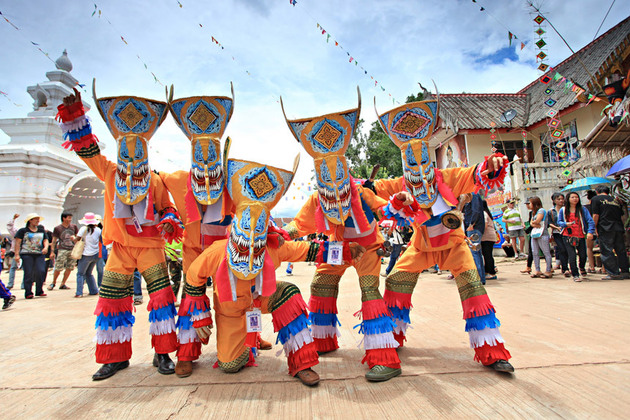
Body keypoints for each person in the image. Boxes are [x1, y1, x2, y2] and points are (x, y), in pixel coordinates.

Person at [373, 97, 514, 373]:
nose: (416, 167)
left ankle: (492, 351)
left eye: (421, 159)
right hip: (419, 246)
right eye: (410, 162)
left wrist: (492, 166)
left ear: (429, 157)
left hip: (453, 245)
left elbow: (475, 173)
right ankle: (392, 336)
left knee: (474, 287)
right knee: (396, 280)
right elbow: (369, 190)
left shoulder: (446, 177)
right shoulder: (399, 184)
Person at [280, 91, 412, 381]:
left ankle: (385, 359)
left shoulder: (362, 192)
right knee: (321, 284)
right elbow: (297, 227)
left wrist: (399, 201)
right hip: (335, 250)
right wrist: (278, 232)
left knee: (369, 293)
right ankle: (324, 341)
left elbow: (385, 210)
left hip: (367, 249)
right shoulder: (318, 198)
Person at [183, 155, 345, 386]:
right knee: (230, 366)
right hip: (230, 312)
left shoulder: (271, 248)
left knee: (289, 293)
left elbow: (307, 250)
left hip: (261, 300)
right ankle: (248, 343)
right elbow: (192, 277)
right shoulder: (216, 253)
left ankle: (303, 362)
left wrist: (346, 250)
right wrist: (200, 312)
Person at [57, 88, 184, 380]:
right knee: (112, 301)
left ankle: (162, 353)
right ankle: (114, 357)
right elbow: (87, 149)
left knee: (162, 299)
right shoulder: (110, 171)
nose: (131, 153)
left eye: (137, 149)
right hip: (120, 247)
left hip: (151, 247)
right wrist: (76, 115)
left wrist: (168, 222)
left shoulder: (155, 180)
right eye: (125, 148)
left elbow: (169, 209)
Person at [591, 185, 630, 280]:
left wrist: (593, 228)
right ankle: (625, 271)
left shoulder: (596, 199)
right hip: (618, 228)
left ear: (597, 191)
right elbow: (621, 215)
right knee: (621, 250)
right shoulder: (616, 200)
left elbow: (596, 215)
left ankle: (613, 273)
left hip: (605, 228)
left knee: (606, 250)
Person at [558, 192, 595, 282]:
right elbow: (559, 222)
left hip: (580, 235)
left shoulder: (582, 209)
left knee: (583, 255)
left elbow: (590, 221)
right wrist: (566, 224)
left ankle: (582, 267)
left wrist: (590, 232)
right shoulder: (563, 210)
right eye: (572, 197)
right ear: (568, 199)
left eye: (576, 197)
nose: (575, 199)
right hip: (567, 235)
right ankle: (575, 274)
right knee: (572, 255)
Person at [13, 213, 49, 299]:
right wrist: (17, 254)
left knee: (41, 271)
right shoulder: (23, 231)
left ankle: (39, 290)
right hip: (26, 254)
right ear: (30, 220)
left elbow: (45, 240)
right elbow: (17, 243)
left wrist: (46, 247)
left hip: (39, 254)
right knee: (28, 272)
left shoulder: (41, 230)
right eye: (35, 219)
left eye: (38, 219)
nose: (37, 221)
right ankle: (28, 292)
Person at [49, 212, 78, 291]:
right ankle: (53, 282)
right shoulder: (58, 228)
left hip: (72, 249)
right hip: (62, 249)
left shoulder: (74, 227)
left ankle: (63, 283)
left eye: (70, 218)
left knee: (70, 267)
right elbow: (54, 240)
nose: (70, 219)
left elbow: (77, 237)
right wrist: (52, 251)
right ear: (63, 218)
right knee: (58, 267)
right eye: (68, 218)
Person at [74, 213, 101, 297]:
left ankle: (79, 292)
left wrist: (72, 238)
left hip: (86, 254)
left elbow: (76, 239)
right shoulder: (98, 230)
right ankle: (94, 290)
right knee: (89, 273)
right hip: (96, 254)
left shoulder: (83, 229)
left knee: (80, 273)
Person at [527, 197, 553, 278]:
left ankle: (548, 270)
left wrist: (534, 223)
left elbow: (537, 221)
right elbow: (531, 223)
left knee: (546, 252)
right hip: (534, 234)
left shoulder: (541, 210)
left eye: (530, 203)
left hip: (542, 234)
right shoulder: (533, 212)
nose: (529, 205)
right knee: (534, 252)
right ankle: (537, 269)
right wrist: (534, 224)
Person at [463, 193, 486, 284]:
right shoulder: (470, 195)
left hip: (474, 228)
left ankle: (477, 279)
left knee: (474, 253)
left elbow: (476, 210)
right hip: (473, 227)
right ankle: (480, 278)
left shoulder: (473, 195)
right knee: (477, 253)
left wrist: (471, 224)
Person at [548, 193, 570, 277]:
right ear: (554, 201)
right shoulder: (551, 211)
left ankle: (567, 266)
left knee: (568, 249)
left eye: (562, 199)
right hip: (557, 233)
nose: (561, 201)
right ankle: (565, 268)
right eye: (558, 199)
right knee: (562, 249)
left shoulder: (567, 209)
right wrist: (556, 228)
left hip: (567, 231)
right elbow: (549, 223)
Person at [481, 201, 498, 281]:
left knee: (487, 255)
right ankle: (488, 271)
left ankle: (491, 273)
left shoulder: (484, 213)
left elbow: (485, 225)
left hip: (487, 237)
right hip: (490, 237)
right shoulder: (487, 212)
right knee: (487, 255)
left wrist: (479, 233)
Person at [584, 190, 598, 273]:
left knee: (589, 248)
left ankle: (592, 267)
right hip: (599, 229)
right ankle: (604, 268)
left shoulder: (585, 207)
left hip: (588, 230)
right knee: (603, 248)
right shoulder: (599, 205)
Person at [6, 214, 20, 290]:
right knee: (13, 267)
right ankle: (10, 283)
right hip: (16, 252)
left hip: (27, 252)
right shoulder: (17, 233)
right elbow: (10, 227)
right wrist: (13, 219)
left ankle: (25, 284)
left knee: (27, 269)